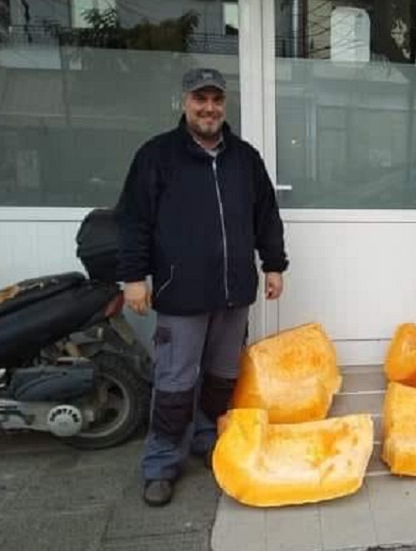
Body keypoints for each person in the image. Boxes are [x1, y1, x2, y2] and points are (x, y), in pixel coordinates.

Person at [116, 68, 288, 506]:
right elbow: (133, 220)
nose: (209, 108)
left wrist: (273, 264)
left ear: (224, 105)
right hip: (181, 293)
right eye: (200, 99)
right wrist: (134, 277)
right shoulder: (157, 156)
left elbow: (266, 215)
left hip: (234, 292)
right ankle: (161, 463)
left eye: (216, 100)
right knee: (175, 382)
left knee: (221, 378)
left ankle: (206, 437)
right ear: (185, 103)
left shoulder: (244, 159)